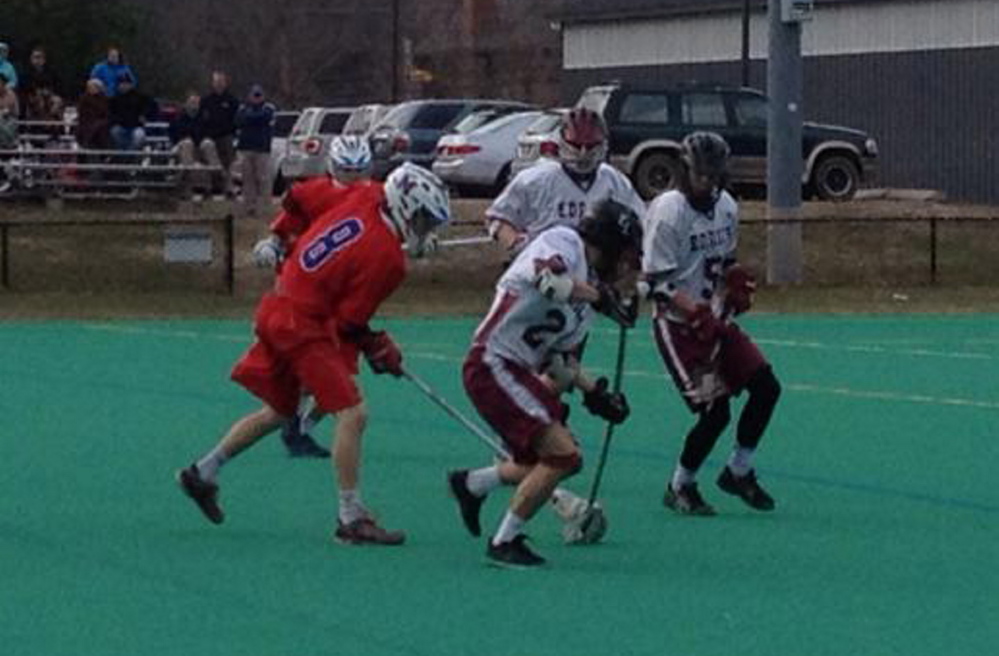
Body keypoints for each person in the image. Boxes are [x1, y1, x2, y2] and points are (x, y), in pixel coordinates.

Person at [176, 163, 451, 545]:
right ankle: (351, 518)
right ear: (405, 207)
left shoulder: (367, 193)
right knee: (352, 413)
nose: (425, 229)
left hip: (278, 304)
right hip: (301, 323)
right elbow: (349, 324)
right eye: (423, 219)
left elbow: (307, 207)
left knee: (280, 410)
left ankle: (202, 472)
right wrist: (381, 348)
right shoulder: (387, 259)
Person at [447, 199, 642, 568]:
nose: (624, 266)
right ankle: (505, 540)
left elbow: (559, 363)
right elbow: (549, 280)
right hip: (492, 361)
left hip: (513, 369)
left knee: (561, 460)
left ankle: (472, 484)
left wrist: (597, 395)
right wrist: (601, 298)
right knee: (562, 454)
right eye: (624, 254)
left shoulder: (587, 302)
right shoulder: (564, 241)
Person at [641, 131, 782, 516]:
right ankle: (680, 485)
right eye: (702, 175)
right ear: (685, 171)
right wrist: (694, 310)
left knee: (766, 387)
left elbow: (724, 261)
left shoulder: (727, 207)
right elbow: (655, 282)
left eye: (715, 176)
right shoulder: (668, 211)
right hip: (679, 327)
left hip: (716, 319)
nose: (709, 183)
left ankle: (738, 470)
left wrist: (734, 288)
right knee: (715, 411)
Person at [253, 135, 378, 458]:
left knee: (342, 373)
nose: (353, 178)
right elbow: (283, 229)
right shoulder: (310, 194)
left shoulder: (376, 197)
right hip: (306, 296)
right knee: (318, 376)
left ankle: (300, 428)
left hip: (344, 299)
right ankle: (292, 423)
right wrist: (271, 244)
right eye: (347, 170)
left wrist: (424, 238)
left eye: (359, 170)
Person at [485, 107, 645, 257]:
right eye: (576, 145)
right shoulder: (535, 180)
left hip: (598, 271)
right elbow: (498, 219)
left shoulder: (613, 181)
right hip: (546, 268)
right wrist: (516, 244)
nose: (583, 154)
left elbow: (641, 222)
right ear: (561, 142)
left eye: (590, 146)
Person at [169, 91, 224, 199]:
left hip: (199, 146)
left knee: (208, 144)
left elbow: (208, 133)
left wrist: (199, 140)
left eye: (196, 102)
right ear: (186, 103)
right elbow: (174, 134)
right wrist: (186, 138)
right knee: (187, 143)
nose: (194, 104)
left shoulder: (204, 117)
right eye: (192, 102)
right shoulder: (179, 117)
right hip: (182, 147)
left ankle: (216, 178)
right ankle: (187, 186)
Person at [235, 84, 275, 218]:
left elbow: (263, 117)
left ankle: (266, 207)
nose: (256, 98)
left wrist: (251, 118)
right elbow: (239, 120)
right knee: (248, 180)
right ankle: (250, 208)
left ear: (263, 96)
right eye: (254, 95)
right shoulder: (242, 108)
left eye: (259, 95)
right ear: (250, 96)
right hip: (245, 147)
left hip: (262, 149)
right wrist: (252, 118)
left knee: (264, 179)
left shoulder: (268, 108)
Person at [199, 71, 238, 196]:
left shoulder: (232, 100)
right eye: (216, 82)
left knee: (228, 163)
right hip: (210, 136)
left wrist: (232, 132)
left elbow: (236, 119)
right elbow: (201, 119)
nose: (219, 84)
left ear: (225, 83)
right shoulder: (206, 100)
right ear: (212, 83)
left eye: (221, 81)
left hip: (226, 136)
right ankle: (208, 188)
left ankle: (229, 189)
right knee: (208, 161)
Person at [108, 73, 156, 151]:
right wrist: (116, 121)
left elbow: (151, 107)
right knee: (114, 132)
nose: (124, 86)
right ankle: (122, 155)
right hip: (121, 126)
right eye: (121, 84)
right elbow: (111, 114)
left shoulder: (140, 97)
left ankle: (130, 155)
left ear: (131, 85)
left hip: (136, 126)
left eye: (126, 83)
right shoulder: (114, 99)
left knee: (139, 136)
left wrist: (144, 115)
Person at [75, 79, 111, 150]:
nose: (91, 89)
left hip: (100, 120)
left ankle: (87, 143)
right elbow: (81, 110)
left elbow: (105, 111)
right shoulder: (84, 98)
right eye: (89, 87)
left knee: (99, 126)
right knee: (91, 126)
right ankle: (86, 143)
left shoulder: (104, 98)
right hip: (86, 120)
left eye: (93, 87)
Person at [0, 73, 18, 150]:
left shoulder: (11, 94)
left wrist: (5, 111)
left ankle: (9, 145)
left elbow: (13, 111)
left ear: (4, 84)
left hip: (10, 120)